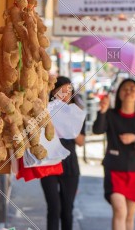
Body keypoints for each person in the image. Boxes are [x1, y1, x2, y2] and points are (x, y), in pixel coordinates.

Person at [93, 78, 135, 230]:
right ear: (119, 94)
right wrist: (102, 111)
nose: (128, 91)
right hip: (114, 169)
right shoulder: (111, 114)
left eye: (132, 88)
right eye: (125, 88)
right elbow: (97, 130)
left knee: (130, 216)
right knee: (120, 210)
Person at [41, 76, 86, 230]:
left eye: (69, 92)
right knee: (54, 208)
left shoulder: (76, 113)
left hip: (69, 164)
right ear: (53, 92)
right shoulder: (45, 110)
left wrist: (70, 126)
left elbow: (81, 141)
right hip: (48, 162)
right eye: (62, 92)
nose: (65, 95)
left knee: (67, 210)